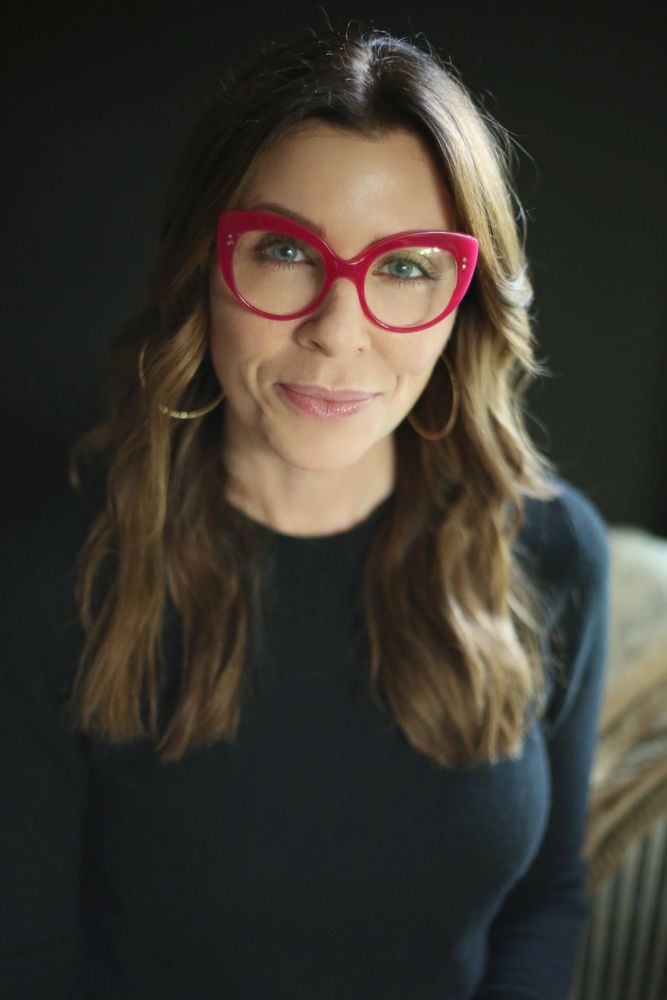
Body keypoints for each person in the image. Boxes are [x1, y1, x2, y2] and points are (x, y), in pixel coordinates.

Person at [1, 24, 610, 1000]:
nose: (337, 331)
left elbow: (546, 898)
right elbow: (28, 962)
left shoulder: (552, 551)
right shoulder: (58, 567)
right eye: (285, 249)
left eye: (407, 265)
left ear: (465, 301)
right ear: (204, 263)